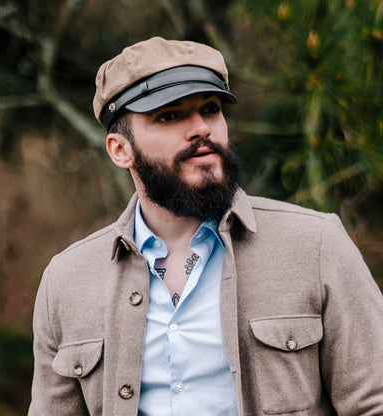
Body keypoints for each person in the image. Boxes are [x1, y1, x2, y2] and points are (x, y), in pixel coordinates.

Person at [28, 37, 383, 416]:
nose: (200, 128)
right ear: (120, 149)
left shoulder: (315, 245)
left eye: (210, 109)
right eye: (169, 116)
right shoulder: (66, 283)